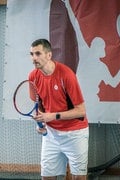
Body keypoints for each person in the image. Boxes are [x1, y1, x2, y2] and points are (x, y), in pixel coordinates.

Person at [28, 39, 89, 180]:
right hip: (51, 134)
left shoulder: (66, 75)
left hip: (75, 133)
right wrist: (41, 123)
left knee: (78, 178)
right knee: (47, 177)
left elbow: (81, 111)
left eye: (38, 53)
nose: (34, 58)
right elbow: (39, 107)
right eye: (31, 54)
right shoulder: (33, 77)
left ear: (49, 55)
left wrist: (53, 116)